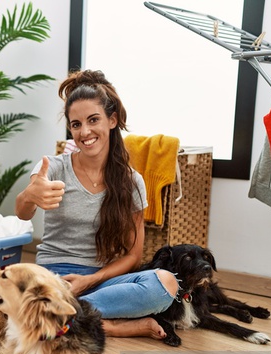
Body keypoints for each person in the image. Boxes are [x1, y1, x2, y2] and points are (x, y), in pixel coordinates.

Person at [15, 69, 178, 339]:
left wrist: (91, 280)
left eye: (93, 120)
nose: (85, 131)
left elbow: (133, 256)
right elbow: (22, 213)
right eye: (76, 124)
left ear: (112, 120)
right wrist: (30, 195)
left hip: (102, 281)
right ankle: (104, 324)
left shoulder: (131, 182)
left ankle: (61, 316)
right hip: (53, 277)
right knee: (33, 292)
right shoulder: (52, 167)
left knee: (165, 284)